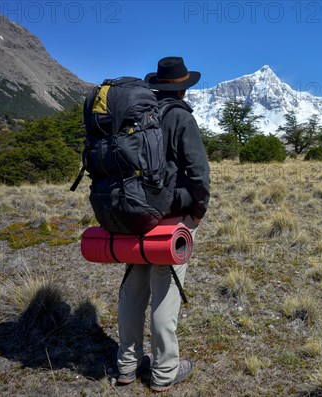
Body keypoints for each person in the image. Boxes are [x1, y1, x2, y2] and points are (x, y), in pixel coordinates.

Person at [116, 56, 210, 392]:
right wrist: (196, 213)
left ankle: (126, 366)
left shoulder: (136, 115)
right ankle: (164, 372)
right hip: (168, 216)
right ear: (184, 88)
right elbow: (199, 172)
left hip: (131, 213)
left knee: (133, 285)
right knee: (165, 291)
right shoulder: (180, 118)